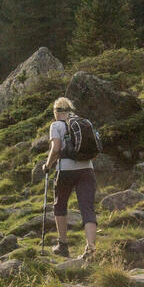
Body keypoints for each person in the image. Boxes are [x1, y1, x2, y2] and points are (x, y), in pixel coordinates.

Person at [40, 97, 96, 258]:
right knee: (87, 208)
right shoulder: (84, 123)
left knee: (60, 205)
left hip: (65, 170)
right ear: (69, 110)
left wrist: (48, 165)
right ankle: (90, 249)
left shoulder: (56, 125)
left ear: (56, 111)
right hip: (87, 168)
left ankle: (63, 245)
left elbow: (56, 148)